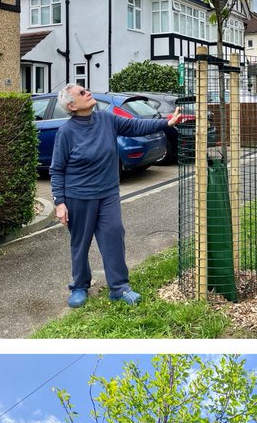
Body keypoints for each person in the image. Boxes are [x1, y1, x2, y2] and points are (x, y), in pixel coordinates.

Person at [50, 85, 183, 308]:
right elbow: (57, 169)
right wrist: (59, 202)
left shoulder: (106, 119)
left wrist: (166, 122)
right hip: (79, 196)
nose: (87, 92)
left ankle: (119, 288)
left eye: (86, 90)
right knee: (80, 244)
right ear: (71, 105)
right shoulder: (66, 132)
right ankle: (80, 285)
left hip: (108, 193)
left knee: (113, 236)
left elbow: (135, 125)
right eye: (82, 93)